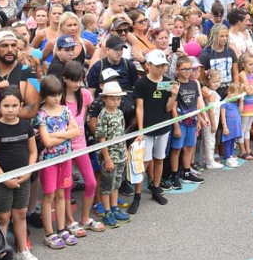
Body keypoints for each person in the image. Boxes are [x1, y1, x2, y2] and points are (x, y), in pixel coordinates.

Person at [0, 87, 39, 260]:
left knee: (20, 214)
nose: (10, 109)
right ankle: (3, 256)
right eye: (6, 105)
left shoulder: (26, 126)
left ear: (21, 106)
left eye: (14, 105)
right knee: (3, 217)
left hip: (23, 178)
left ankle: (22, 250)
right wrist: (4, 179)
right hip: (1, 180)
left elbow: (33, 151)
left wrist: (28, 171)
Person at [36, 75, 81, 250]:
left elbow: (76, 132)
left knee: (61, 193)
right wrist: (66, 134)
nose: (56, 98)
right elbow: (46, 142)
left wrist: (55, 135)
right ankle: (49, 233)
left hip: (65, 158)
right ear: (44, 95)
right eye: (52, 95)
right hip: (48, 161)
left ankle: (61, 228)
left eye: (59, 94)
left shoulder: (65, 110)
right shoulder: (41, 114)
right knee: (48, 196)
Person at [60, 62, 102, 232]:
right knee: (66, 185)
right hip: (64, 147)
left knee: (91, 182)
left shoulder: (85, 94)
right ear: (65, 79)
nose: (77, 84)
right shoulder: (59, 97)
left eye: (80, 80)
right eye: (74, 80)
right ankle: (70, 221)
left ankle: (85, 218)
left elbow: (91, 113)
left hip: (81, 145)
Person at [134, 49, 174, 203]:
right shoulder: (142, 83)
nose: (161, 69)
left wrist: (174, 95)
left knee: (159, 158)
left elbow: (168, 108)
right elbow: (140, 107)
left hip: (163, 127)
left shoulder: (167, 82)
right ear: (149, 65)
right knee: (144, 162)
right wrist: (141, 130)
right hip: (147, 129)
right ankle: (137, 195)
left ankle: (156, 188)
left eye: (163, 65)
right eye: (158, 66)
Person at [166, 55, 207, 185]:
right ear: (177, 69)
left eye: (190, 69)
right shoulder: (174, 85)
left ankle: (187, 172)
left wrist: (199, 119)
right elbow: (173, 107)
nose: (187, 72)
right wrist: (176, 126)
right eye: (184, 69)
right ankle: (174, 175)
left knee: (189, 148)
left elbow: (196, 104)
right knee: (176, 149)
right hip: (180, 122)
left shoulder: (194, 83)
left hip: (192, 121)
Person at [95, 80, 131, 229]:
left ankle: (115, 208)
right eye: (112, 99)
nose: (116, 102)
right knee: (106, 186)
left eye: (118, 99)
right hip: (109, 156)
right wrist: (107, 158)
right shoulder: (103, 115)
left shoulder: (120, 113)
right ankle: (107, 211)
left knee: (116, 183)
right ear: (104, 98)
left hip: (120, 154)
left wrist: (125, 151)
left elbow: (122, 133)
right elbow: (101, 139)